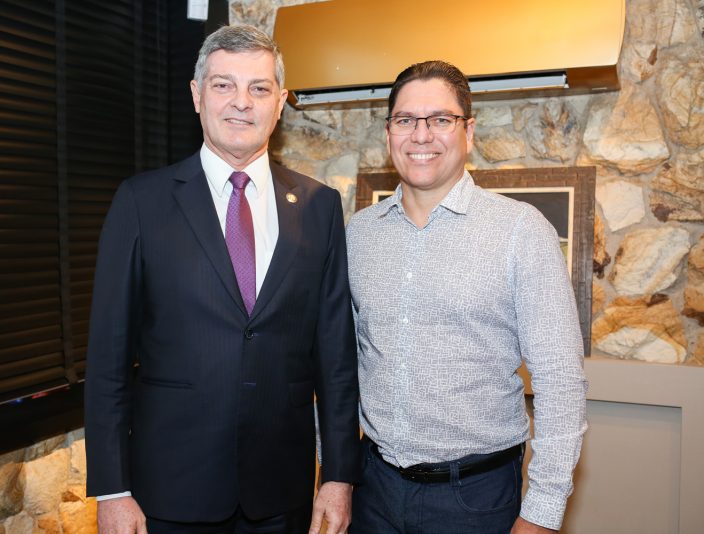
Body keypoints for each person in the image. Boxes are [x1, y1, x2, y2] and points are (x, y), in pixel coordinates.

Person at [85, 24, 360, 534]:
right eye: (223, 85)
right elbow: (108, 360)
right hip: (168, 492)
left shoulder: (320, 206)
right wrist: (112, 488)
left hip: (281, 493)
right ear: (196, 95)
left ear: (280, 103)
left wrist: (339, 476)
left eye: (259, 88)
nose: (242, 103)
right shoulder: (141, 203)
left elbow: (336, 358)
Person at [346, 60, 588, 533]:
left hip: (474, 499)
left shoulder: (520, 230)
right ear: (389, 131)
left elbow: (560, 379)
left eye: (440, 119)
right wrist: (332, 473)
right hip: (371, 489)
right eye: (405, 120)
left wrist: (541, 512)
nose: (421, 135)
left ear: (468, 130)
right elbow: (342, 362)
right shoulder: (360, 233)